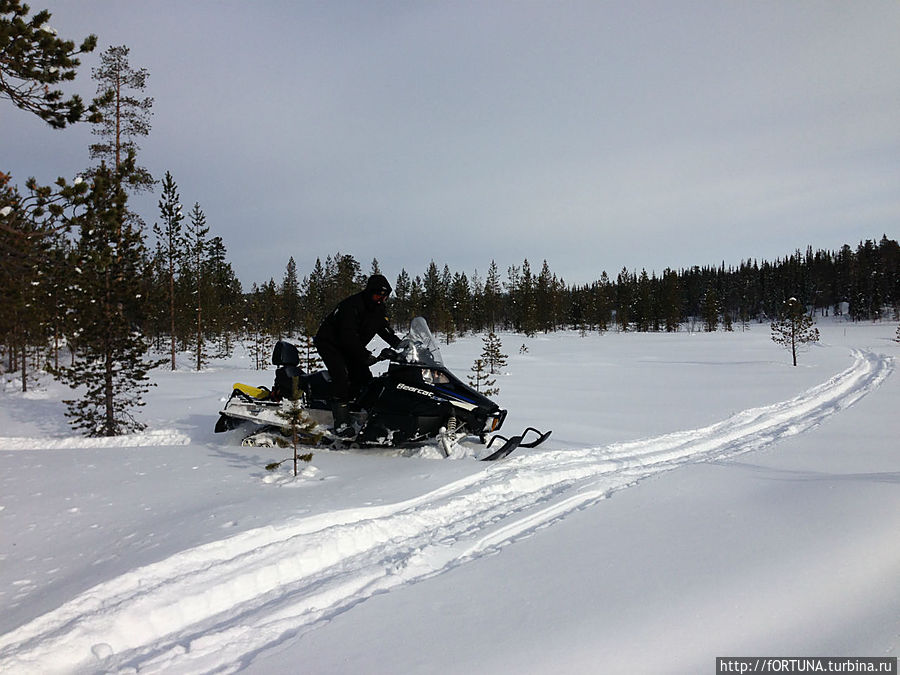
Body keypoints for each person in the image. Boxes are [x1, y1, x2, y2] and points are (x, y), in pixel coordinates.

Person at [314, 274, 401, 437]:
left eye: (384, 296)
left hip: (351, 345)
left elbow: (385, 330)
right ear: (369, 293)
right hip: (330, 343)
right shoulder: (352, 306)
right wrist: (364, 355)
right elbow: (348, 336)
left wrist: (402, 346)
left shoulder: (378, 309)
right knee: (342, 375)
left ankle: (359, 412)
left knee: (364, 378)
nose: (380, 300)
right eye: (377, 295)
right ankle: (341, 422)